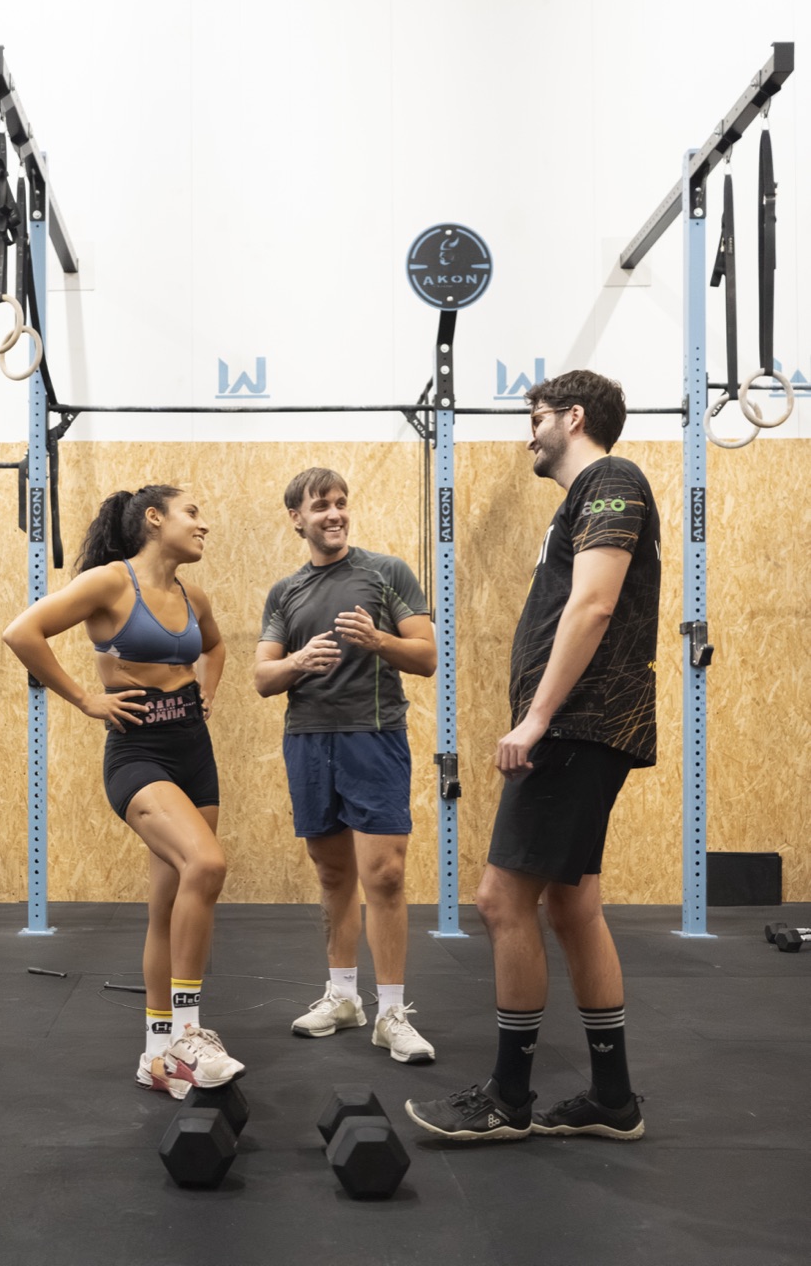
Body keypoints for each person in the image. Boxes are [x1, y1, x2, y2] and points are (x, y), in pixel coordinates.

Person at [406, 370, 660, 1141]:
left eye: (537, 416)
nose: (529, 432)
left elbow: (593, 603)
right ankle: (611, 1099)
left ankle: (507, 1100)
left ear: (572, 417)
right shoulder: (580, 501)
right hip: (578, 728)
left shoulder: (610, 478)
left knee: (499, 901)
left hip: (576, 728)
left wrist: (538, 717)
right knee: (571, 905)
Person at [2, 484, 244, 1099]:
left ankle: (156, 1054)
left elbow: (214, 646)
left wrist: (208, 689)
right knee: (208, 864)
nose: (204, 524)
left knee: (170, 901)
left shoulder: (193, 595)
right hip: (138, 755)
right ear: (154, 519)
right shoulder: (111, 583)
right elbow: (22, 632)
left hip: (194, 752)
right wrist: (86, 697)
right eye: (195, 512)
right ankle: (188, 1034)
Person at [254, 468, 438, 1063]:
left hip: (374, 737)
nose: (334, 514)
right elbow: (263, 677)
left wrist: (379, 641)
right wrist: (299, 661)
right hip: (308, 740)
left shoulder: (386, 573)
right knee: (334, 877)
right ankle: (342, 997)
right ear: (296, 519)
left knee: (383, 874)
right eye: (320, 506)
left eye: (340, 504)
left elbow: (428, 655)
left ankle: (391, 1013)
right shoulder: (285, 593)